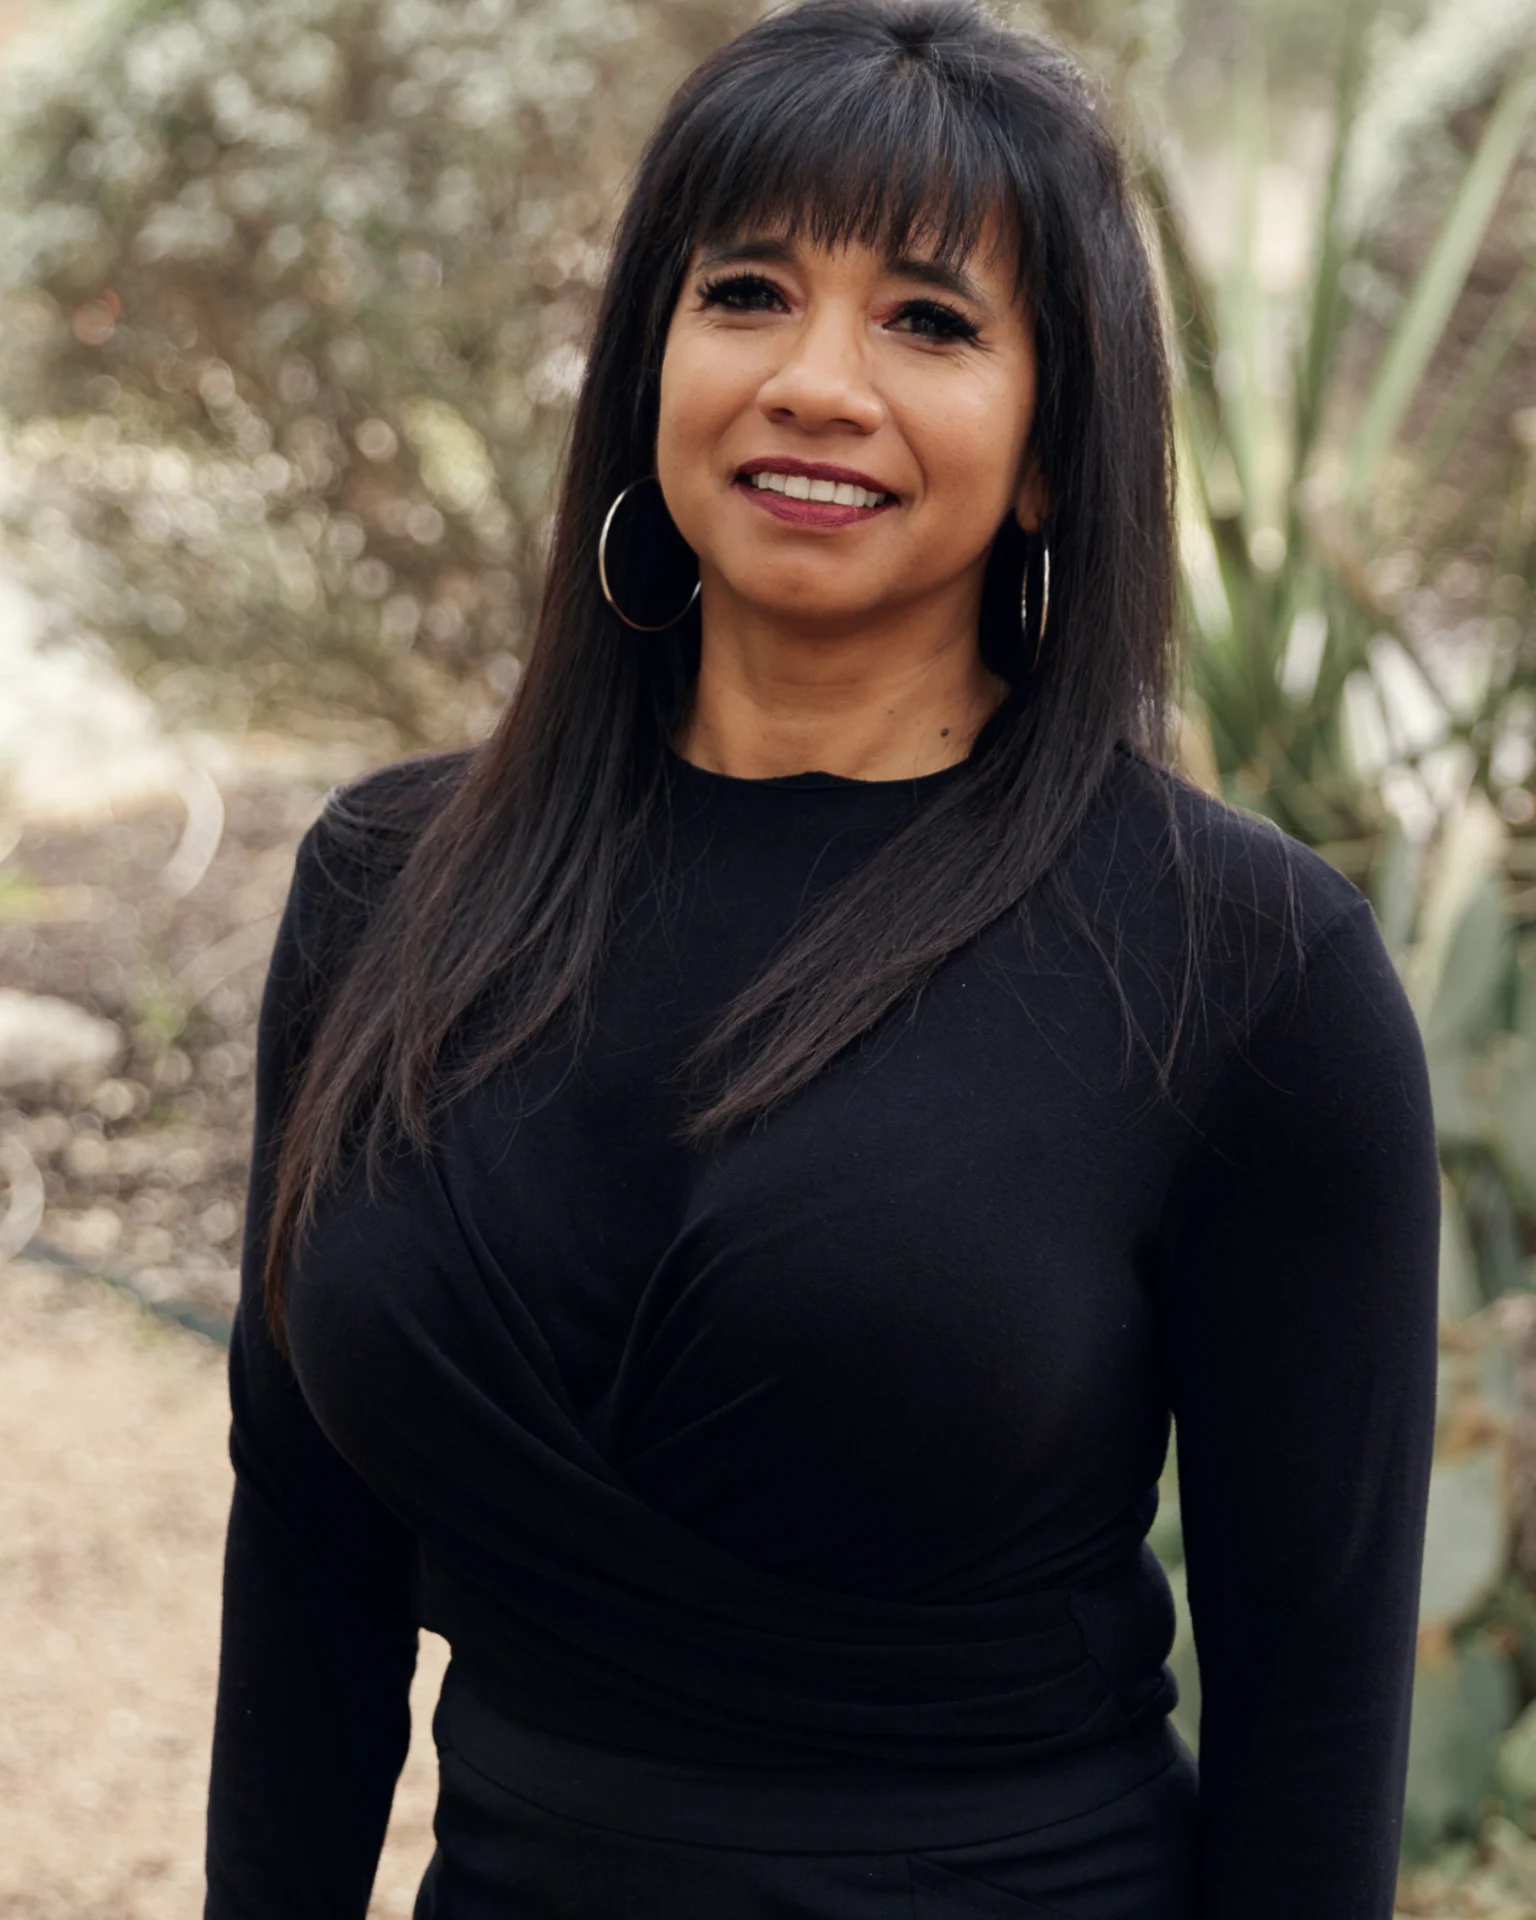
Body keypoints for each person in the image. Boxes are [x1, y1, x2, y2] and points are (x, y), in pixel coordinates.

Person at [202, 1, 1441, 1915]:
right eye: (749, 292)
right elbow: (305, 1555)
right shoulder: (389, 887)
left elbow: (1315, 1704)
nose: (815, 380)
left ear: (1050, 448)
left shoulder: (1244, 966)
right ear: (649, 368)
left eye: (930, 322)